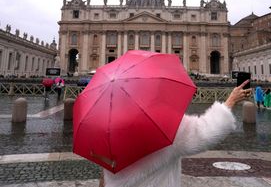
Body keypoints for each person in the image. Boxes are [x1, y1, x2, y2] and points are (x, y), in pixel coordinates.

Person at [101, 80, 251, 187]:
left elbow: (106, 171)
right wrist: (230, 101)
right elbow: (206, 132)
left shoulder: (109, 126)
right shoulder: (166, 124)